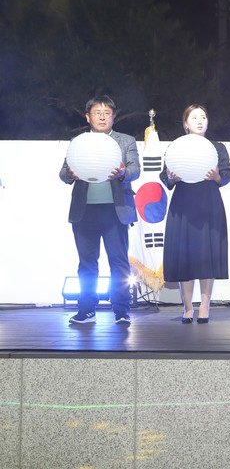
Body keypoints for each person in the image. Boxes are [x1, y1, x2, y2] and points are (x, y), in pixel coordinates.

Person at [60, 95, 140, 324]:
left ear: (113, 117)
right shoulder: (79, 142)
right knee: (86, 262)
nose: (102, 117)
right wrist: (70, 174)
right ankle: (87, 309)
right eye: (97, 113)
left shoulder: (125, 141)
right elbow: (63, 173)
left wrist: (123, 172)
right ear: (88, 117)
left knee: (118, 261)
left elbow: (135, 169)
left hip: (115, 211)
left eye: (107, 113)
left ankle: (121, 309)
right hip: (84, 211)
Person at [161, 105, 230, 324]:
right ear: (186, 123)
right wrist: (171, 178)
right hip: (183, 203)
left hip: (209, 203)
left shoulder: (217, 147)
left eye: (203, 117)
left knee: (207, 254)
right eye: (194, 117)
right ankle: (188, 307)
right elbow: (165, 176)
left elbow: (227, 175)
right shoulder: (177, 147)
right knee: (184, 256)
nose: (200, 121)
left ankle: (205, 306)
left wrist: (217, 177)